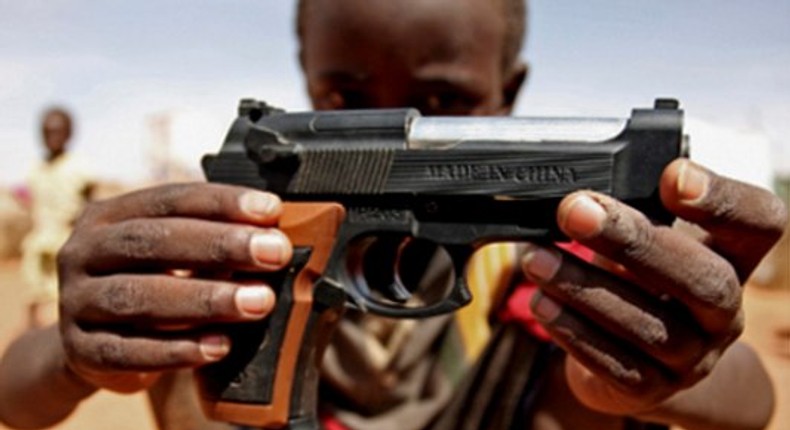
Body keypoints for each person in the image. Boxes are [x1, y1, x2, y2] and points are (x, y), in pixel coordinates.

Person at [0, 0, 786, 429]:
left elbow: (752, 403)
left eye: (444, 101)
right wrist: (77, 354)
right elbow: (13, 394)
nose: (394, 121)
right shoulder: (241, 240)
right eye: (344, 96)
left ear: (508, 97)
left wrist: (684, 357)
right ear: (305, 86)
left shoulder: (556, 280)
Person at [19, 106, 94, 328]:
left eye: (57, 131)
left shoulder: (80, 167)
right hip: (39, 243)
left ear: (69, 134)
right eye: (46, 132)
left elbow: (90, 207)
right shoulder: (36, 169)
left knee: (66, 299)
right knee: (33, 298)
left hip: (67, 241)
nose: (51, 137)